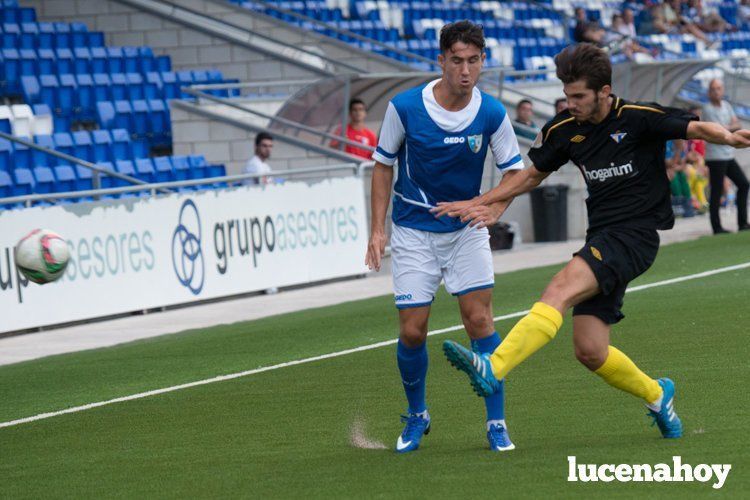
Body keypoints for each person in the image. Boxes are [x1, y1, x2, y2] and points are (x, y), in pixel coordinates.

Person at [433, 43, 750, 443]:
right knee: (590, 350)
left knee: (558, 290)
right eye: (567, 96)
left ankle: (493, 368)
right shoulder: (565, 129)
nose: (571, 104)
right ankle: (658, 394)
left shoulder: (638, 117)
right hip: (601, 237)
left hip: (635, 236)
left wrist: (731, 138)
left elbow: (697, 128)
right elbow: (531, 176)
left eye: (579, 96)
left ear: (604, 91)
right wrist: (484, 203)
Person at [365, 20, 525, 454]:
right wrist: (377, 230)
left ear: (483, 61)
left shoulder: (491, 112)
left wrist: (492, 209)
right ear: (441, 61)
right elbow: (383, 166)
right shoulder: (404, 107)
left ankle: (497, 423)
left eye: (474, 61)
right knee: (413, 330)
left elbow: (516, 172)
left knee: (480, 321)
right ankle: (417, 415)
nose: (466, 70)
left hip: (466, 232)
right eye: (457, 60)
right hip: (414, 229)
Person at [702, 79, 750, 233]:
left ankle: (742, 223)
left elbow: (736, 125)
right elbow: (717, 131)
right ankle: (717, 227)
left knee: (743, 184)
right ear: (709, 92)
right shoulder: (707, 109)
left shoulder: (727, 106)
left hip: (728, 154)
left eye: (719, 88)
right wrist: (729, 129)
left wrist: (726, 128)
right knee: (717, 190)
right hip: (715, 157)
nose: (716, 91)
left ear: (722, 90)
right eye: (713, 89)